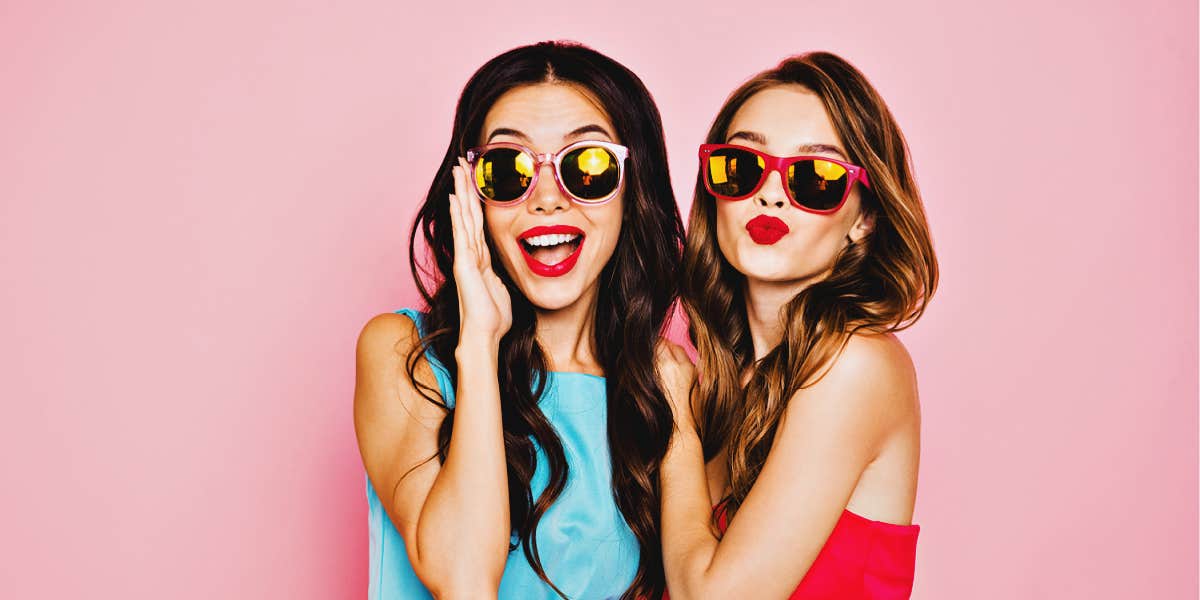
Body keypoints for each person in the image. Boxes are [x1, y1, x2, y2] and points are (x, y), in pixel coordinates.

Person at [353, 41, 684, 599]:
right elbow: (462, 580)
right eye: (509, 169)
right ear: (471, 192)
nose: (548, 199)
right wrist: (480, 343)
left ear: (634, 190)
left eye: (589, 166)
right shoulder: (401, 353)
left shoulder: (668, 388)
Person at [658, 51, 939, 599]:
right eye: (740, 166)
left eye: (814, 178)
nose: (770, 193)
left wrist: (677, 430)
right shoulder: (722, 383)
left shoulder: (856, 363)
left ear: (864, 217)